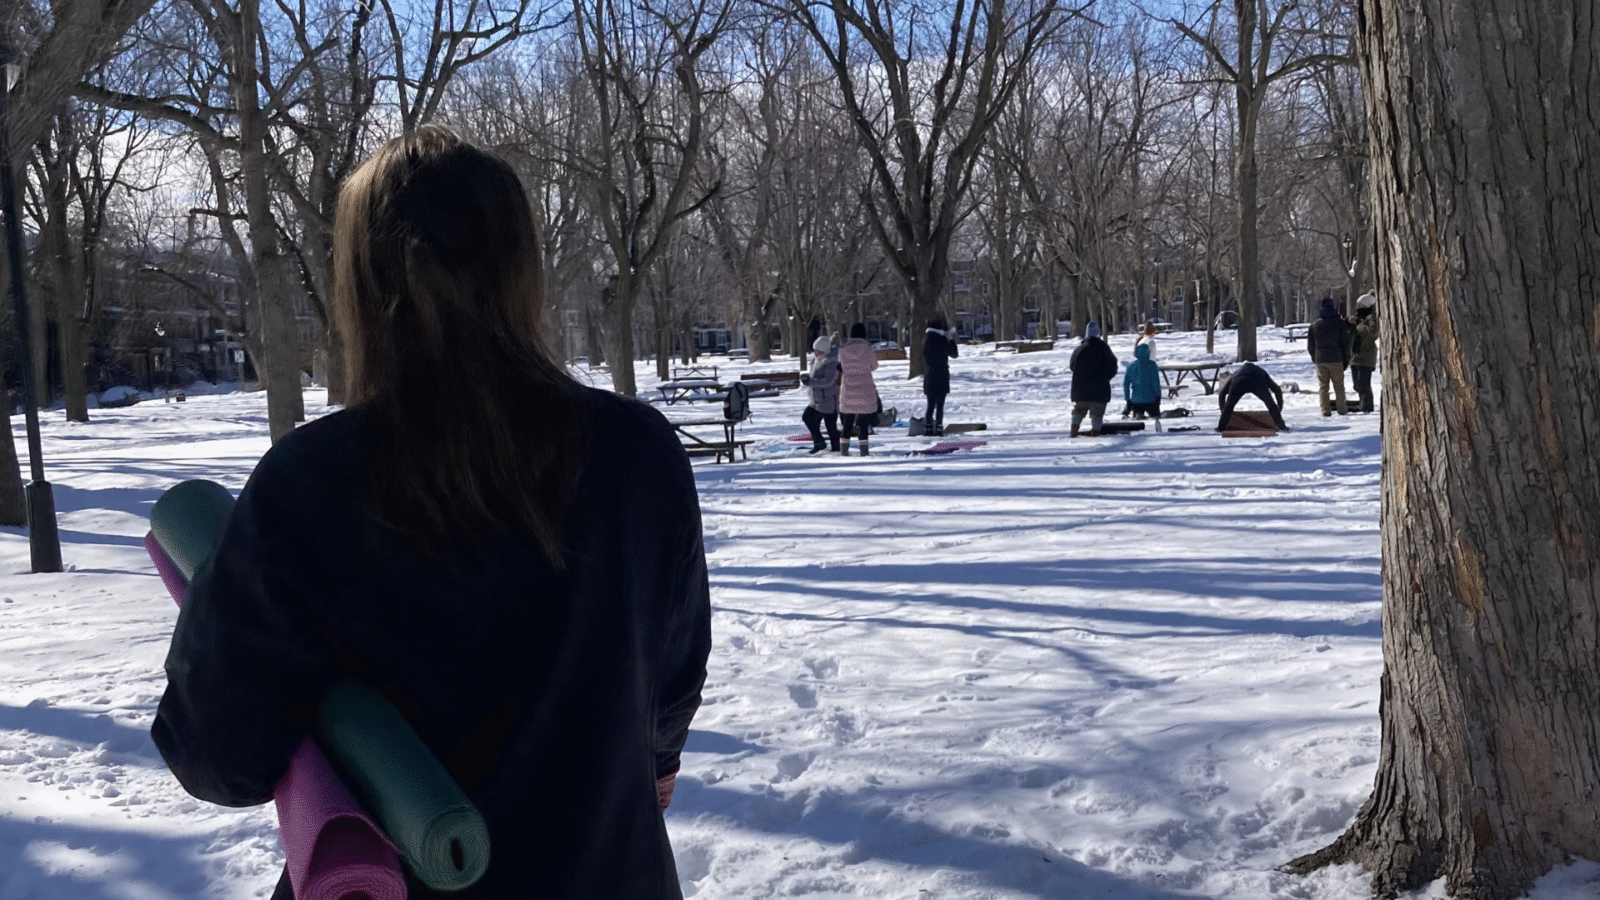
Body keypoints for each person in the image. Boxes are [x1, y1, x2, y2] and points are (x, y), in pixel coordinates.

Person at [151, 126, 712, 900]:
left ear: (358, 283)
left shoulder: (309, 486)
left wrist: (220, 592)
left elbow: (215, 754)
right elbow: (671, 684)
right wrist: (654, 761)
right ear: (521, 271)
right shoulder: (639, 456)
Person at [1069, 321, 1119, 437]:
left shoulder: (1079, 349)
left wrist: (1081, 376)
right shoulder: (1104, 348)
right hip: (1100, 389)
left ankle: (1073, 431)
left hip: (1080, 389)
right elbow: (1113, 366)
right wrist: (1106, 378)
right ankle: (1095, 433)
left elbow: (1072, 366)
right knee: (1097, 413)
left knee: (1079, 410)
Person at [836, 322, 879, 455]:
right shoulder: (868, 349)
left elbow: (841, 366)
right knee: (864, 422)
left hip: (848, 388)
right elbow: (874, 366)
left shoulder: (843, 349)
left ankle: (844, 451)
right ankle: (864, 451)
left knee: (848, 421)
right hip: (865, 388)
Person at [1307, 296, 1352, 416]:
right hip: (1336, 358)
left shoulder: (1314, 324)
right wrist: (1346, 358)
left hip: (1320, 358)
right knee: (1339, 386)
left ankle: (1325, 410)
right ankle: (1342, 409)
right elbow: (1345, 343)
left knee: (1323, 387)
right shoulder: (1339, 323)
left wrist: (1315, 357)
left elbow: (1310, 345)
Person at [1215, 362, 1290, 431]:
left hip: (1239, 381)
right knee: (1270, 404)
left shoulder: (1236, 373)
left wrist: (1223, 410)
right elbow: (1277, 389)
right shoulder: (1261, 371)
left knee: (1229, 406)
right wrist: (1279, 407)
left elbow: (1222, 393)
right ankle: (1281, 426)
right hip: (1257, 381)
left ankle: (1221, 427)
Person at [802, 335, 841, 453]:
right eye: (814, 350)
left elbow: (828, 381)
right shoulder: (815, 360)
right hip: (816, 400)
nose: (815, 353)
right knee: (808, 417)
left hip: (829, 400)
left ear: (824, 350)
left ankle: (836, 450)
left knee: (831, 428)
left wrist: (811, 382)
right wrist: (807, 379)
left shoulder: (832, 362)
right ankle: (818, 442)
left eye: (817, 351)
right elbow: (814, 376)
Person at [921, 316, 958, 436]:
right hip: (942, 375)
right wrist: (950, 339)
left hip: (929, 376)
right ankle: (939, 427)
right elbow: (954, 354)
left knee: (930, 404)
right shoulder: (943, 341)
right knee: (940, 405)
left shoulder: (926, 341)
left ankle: (928, 428)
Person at [1122, 342, 1163, 431]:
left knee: (1137, 424)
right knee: (1155, 419)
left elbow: (1126, 384)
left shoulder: (1131, 366)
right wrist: (1158, 396)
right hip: (1152, 400)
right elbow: (1156, 383)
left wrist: (1127, 398)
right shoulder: (1152, 365)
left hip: (1136, 400)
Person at [1349, 292, 1378, 413]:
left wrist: (1358, 326)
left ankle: (1366, 405)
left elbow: (1373, 332)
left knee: (1363, 384)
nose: (1357, 307)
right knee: (1357, 384)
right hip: (1355, 356)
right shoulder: (1359, 318)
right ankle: (1362, 403)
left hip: (1366, 356)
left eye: (1360, 304)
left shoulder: (1371, 318)